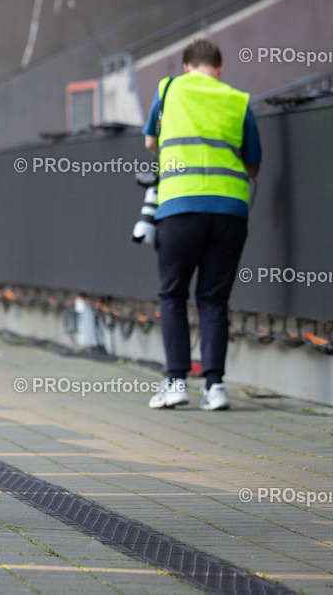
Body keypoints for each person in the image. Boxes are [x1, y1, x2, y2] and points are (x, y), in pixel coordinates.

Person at [143, 38, 261, 411]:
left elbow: (150, 140)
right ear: (220, 68)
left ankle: (176, 382)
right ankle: (215, 387)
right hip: (230, 212)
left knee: (173, 294)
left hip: (179, 206)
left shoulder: (169, 89)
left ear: (186, 67)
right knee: (213, 300)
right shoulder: (238, 100)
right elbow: (253, 164)